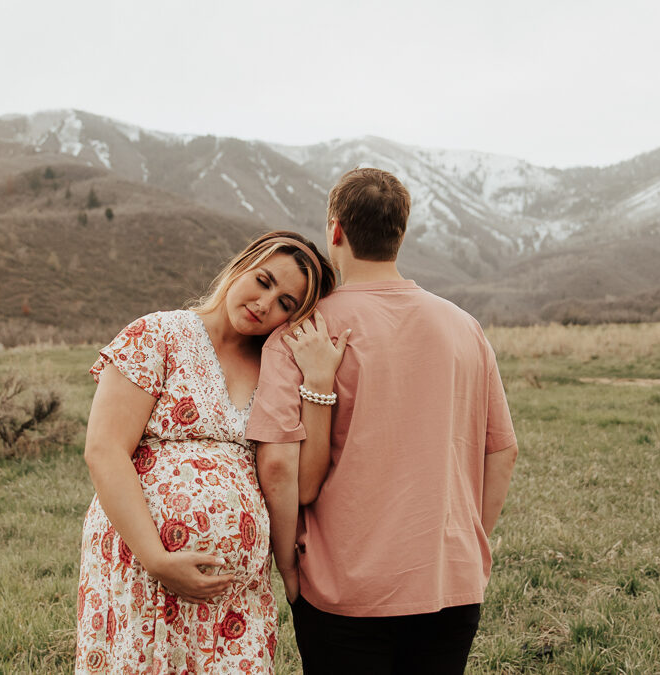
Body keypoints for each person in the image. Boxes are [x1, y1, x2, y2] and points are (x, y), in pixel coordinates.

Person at [246, 168, 519, 674]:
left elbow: (281, 466)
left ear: (335, 231)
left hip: (344, 591)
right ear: (401, 233)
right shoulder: (465, 328)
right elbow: (502, 451)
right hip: (449, 584)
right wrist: (463, 546)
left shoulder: (304, 332)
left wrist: (286, 566)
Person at [75, 231, 338, 674]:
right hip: (141, 566)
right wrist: (158, 560)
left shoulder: (276, 366)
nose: (264, 303)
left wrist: (318, 382)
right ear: (242, 265)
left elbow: (304, 482)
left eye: (286, 304)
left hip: (234, 593)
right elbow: (104, 450)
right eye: (264, 280)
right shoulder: (158, 333)